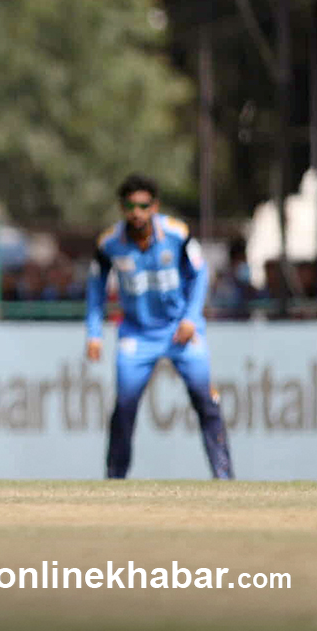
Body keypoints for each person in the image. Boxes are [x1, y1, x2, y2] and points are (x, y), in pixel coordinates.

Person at [85, 174, 233, 480]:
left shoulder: (178, 234)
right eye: (130, 206)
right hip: (137, 334)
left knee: (206, 401)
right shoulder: (109, 243)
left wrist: (191, 318)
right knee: (124, 407)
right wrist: (94, 333)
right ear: (122, 208)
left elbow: (200, 275)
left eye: (144, 206)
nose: (137, 213)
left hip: (180, 331)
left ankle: (224, 477)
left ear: (155, 206)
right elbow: (95, 288)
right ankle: (114, 480)